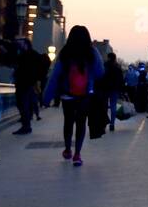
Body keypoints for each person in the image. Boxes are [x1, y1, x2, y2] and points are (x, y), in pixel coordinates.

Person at [42, 25, 104, 167]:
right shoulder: (91, 52)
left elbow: (54, 76)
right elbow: (100, 72)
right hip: (85, 94)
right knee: (81, 123)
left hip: (67, 94)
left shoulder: (65, 52)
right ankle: (77, 155)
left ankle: (68, 149)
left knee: (68, 122)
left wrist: (47, 97)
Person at [10, 38, 39, 135]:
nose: (19, 44)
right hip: (25, 82)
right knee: (23, 103)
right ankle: (26, 124)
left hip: (25, 83)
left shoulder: (28, 55)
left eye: (20, 43)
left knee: (23, 104)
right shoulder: (26, 54)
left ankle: (26, 126)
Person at [103, 51, 123, 131]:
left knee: (104, 106)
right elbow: (121, 79)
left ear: (108, 57)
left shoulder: (105, 65)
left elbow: (102, 76)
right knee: (113, 106)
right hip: (115, 88)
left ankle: (104, 123)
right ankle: (112, 124)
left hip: (105, 88)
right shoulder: (118, 67)